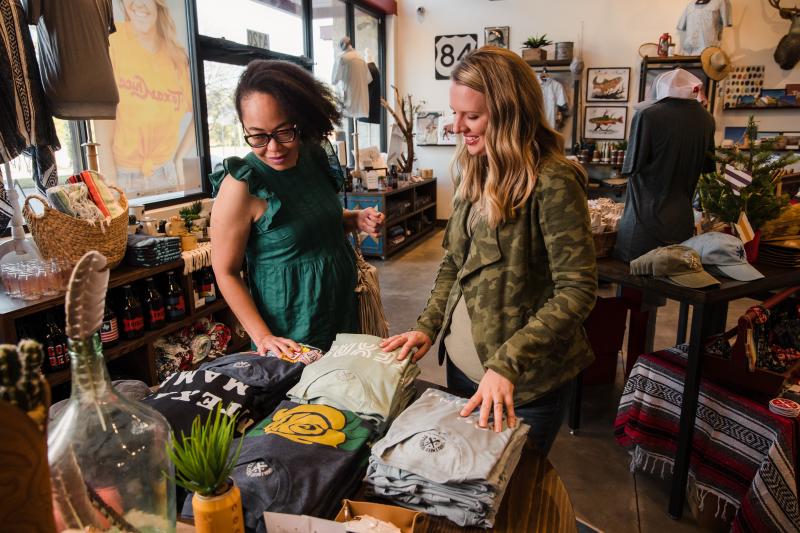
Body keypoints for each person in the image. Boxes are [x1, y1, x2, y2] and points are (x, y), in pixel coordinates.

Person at [381, 47, 597, 456]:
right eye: (455, 113)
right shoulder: (474, 169)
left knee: (509, 499)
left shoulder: (553, 181)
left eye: (472, 116)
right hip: (462, 370)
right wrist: (428, 326)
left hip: (521, 386)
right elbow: (453, 263)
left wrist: (507, 363)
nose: (456, 126)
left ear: (509, 112)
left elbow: (577, 290)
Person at [210, 59, 384, 355]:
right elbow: (225, 271)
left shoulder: (313, 156)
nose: (274, 148)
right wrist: (263, 337)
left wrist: (355, 219)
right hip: (291, 327)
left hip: (343, 307)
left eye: (284, 131)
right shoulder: (241, 186)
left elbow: (312, 221)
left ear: (300, 121)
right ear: (243, 126)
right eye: (258, 135)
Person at [95, 0, 195, 198]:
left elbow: (198, 116)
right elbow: (102, 126)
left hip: (166, 174)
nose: (138, 4)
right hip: (123, 178)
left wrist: (179, 160)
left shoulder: (176, 56)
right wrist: (112, 184)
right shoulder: (112, 43)